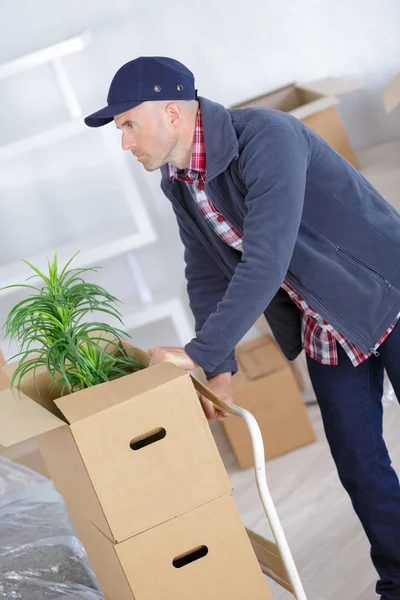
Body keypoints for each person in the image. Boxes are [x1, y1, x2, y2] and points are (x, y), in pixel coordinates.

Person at [85, 56, 400, 598]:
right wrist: (219, 368)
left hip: (386, 295)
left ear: (172, 113)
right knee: (359, 464)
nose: (125, 142)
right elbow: (205, 272)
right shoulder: (179, 181)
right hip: (325, 325)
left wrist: (199, 352)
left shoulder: (269, 138)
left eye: (129, 125)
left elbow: (266, 259)